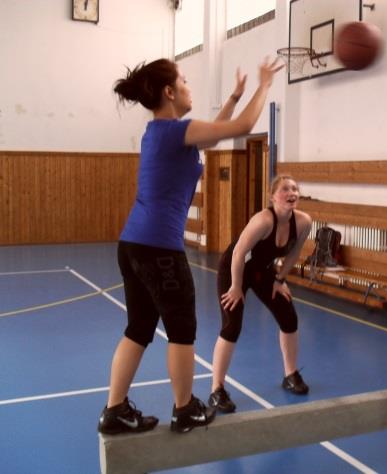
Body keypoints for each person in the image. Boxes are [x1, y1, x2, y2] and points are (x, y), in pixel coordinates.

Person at [97, 57, 283, 435]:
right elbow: (244, 127)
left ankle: (114, 410)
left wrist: (233, 95)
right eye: (183, 80)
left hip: (133, 244)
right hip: (159, 249)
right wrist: (265, 85)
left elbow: (214, 135)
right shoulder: (173, 132)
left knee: (139, 327)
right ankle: (185, 409)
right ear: (170, 92)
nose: (188, 85)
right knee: (182, 327)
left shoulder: (161, 132)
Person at [209, 175, 312, 413]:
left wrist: (280, 280)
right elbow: (238, 254)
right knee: (231, 326)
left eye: (295, 189)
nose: (291, 193)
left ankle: (290, 374)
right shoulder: (263, 221)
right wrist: (235, 287)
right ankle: (217, 389)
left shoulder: (303, 222)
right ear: (273, 196)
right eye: (285, 189)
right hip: (234, 269)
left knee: (289, 316)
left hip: (262, 270)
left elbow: (294, 253)